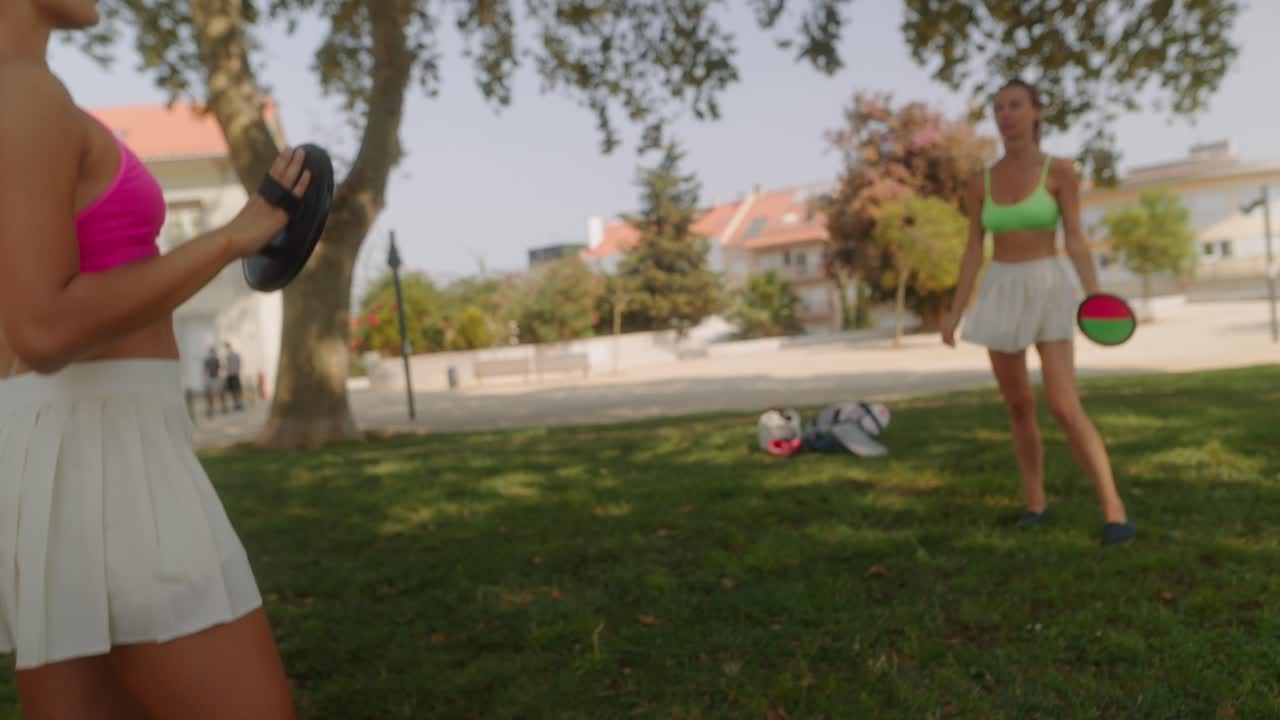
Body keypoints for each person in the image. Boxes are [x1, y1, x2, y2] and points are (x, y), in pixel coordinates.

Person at [0, 1, 311, 716]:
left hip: (52, 458)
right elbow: (41, 329)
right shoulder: (24, 93)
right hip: (103, 456)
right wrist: (229, 239)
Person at [941, 78, 1136, 547]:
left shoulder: (1061, 171)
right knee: (1019, 405)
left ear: (1036, 112)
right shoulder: (980, 182)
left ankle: (1114, 509)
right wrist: (954, 311)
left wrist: (1096, 298)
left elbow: (1076, 238)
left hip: (1049, 285)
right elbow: (973, 250)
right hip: (1000, 289)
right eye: (998, 108)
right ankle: (1036, 503)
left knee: (1064, 405)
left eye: (1015, 105)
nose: (1005, 115)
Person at [224, 341, 244, 410]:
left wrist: (237, 371)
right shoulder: (230, 355)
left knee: (236, 390)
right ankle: (237, 404)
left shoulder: (232, 355)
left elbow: (238, 363)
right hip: (231, 374)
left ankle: (239, 403)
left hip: (233, 374)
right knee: (234, 390)